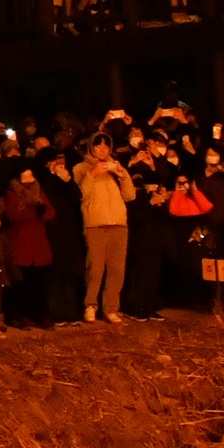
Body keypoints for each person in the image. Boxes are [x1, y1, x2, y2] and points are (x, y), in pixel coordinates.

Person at [75, 136, 133, 322]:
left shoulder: (115, 167)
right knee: (95, 268)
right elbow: (82, 195)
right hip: (95, 224)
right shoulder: (81, 168)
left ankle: (111, 308)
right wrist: (93, 174)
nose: (102, 149)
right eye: (98, 145)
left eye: (106, 146)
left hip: (118, 223)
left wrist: (123, 175)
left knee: (117, 269)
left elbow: (130, 195)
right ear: (91, 147)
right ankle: (90, 305)